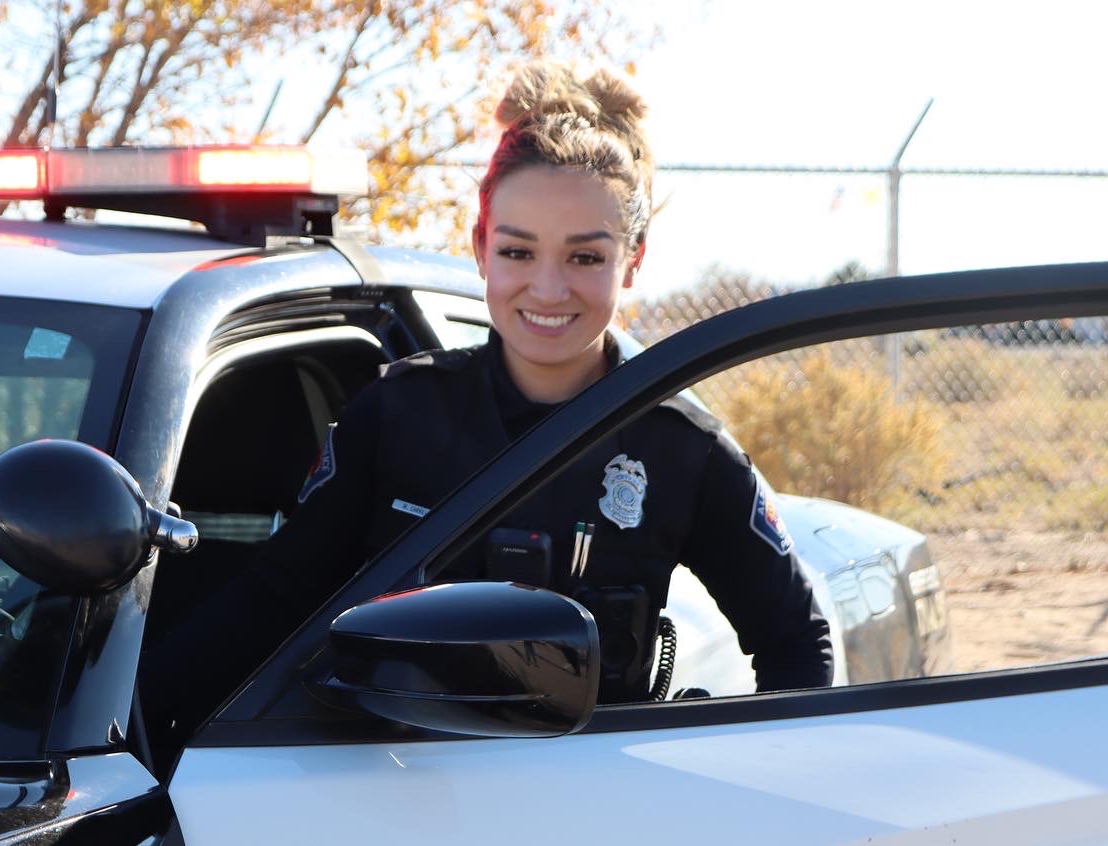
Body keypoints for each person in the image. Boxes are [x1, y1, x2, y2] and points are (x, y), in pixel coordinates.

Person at [144, 59, 831, 727]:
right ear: (480, 247)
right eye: (518, 251)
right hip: (388, 798)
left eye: (585, 256)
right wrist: (135, 728)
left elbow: (798, 647)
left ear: (635, 259)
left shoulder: (682, 449)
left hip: (600, 818)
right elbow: (274, 601)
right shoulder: (399, 413)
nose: (549, 288)